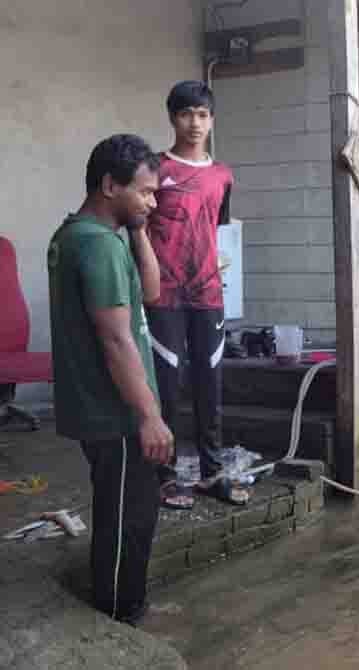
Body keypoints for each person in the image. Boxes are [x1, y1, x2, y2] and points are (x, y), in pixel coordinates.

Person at [48, 134, 174, 625]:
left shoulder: (80, 234)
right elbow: (116, 341)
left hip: (105, 409)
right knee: (127, 522)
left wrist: (137, 224)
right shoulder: (97, 246)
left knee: (128, 511)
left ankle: (121, 607)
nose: (153, 200)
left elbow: (152, 290)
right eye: (144, 191)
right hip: (117, 413)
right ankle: (120, 619)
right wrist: (149, 416)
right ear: (108, 185)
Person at [145, 80, 239, 509]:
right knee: (167, 385)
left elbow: (216, 229)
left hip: (208, 294)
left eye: (202, 114)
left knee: (210, 384)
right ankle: (163, 478)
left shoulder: (223, 175)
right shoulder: (153, 169)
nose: (194, 123)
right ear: (172, 118)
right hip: (162, 294)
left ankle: (212, 473)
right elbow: (138, 230)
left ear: (212, 119)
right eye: (186, 114)